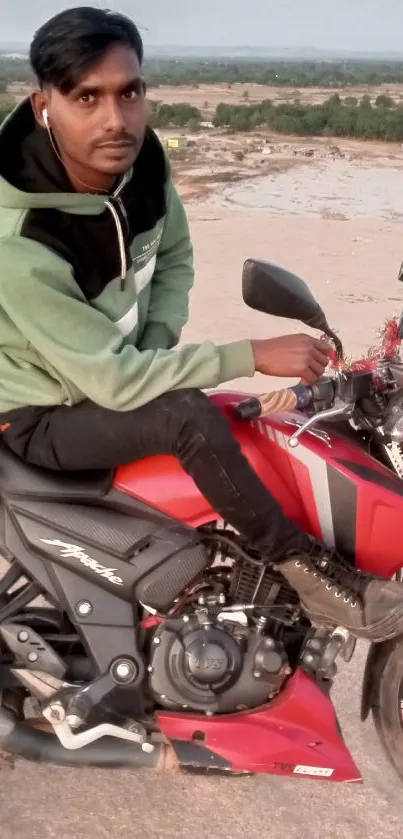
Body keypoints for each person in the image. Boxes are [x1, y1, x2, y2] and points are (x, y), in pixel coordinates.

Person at [0, 6, 402, 643]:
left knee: (243, 418)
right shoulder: (19, 240)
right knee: (189, 414)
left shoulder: (145, 165)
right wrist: (250, 352)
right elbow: (112, 383)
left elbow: (175, 257)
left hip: (106, 381)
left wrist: (154, 349)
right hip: (40, 413)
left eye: (129, 92)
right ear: (43, 103)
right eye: (87, 97)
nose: (115, 118)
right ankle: (306, 573)